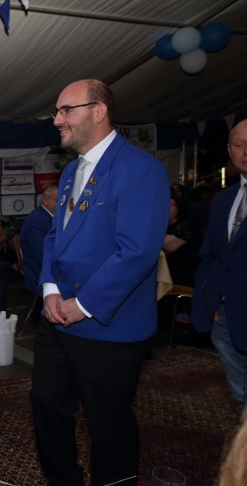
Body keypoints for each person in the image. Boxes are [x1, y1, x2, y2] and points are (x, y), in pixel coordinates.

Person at [32, 79, 169, 486]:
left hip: (108, 324)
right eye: (56, 111)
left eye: (66, 110)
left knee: (107, 423)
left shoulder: (141, 170)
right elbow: (55, 237)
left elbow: (137, 251)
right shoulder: (71, 171)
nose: (57, 120)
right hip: (58, 318)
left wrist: (83, 304)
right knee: (46, 404)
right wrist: (50, 289)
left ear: (99, 110)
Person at [192, 118, 247, 410]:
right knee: (240, 393)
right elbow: (210, 255)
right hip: (224, 315)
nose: (245, 151)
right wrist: (210, 297)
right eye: (239, 145)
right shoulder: (222, 200)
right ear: (229, 150)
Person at [19, 184, 57, 294]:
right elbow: (42, 256)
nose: (62, 203)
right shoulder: (37, 221)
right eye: (57, 200)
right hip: (40, 276)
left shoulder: (45, 217)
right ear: (46, 201)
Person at [163, 194, 200, 287]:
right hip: (167, 269)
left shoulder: (186, 225)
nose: (166, 208)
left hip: (183, 271)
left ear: (179, 207)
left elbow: (169, 247)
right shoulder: (164, 225)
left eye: (170, 205)